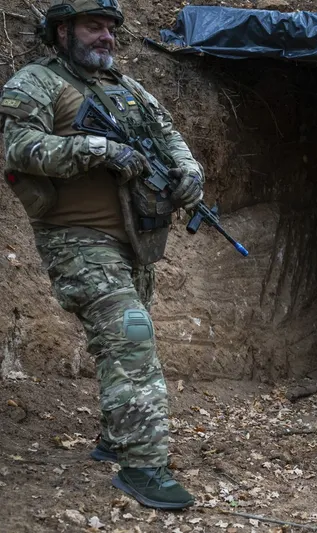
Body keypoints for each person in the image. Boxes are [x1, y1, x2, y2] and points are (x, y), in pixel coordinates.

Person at [0, 0, 204, 509]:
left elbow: (169, 136)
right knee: (133, 340)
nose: (107, 37)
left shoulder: (127, 88)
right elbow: (18, 147)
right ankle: (143, 467)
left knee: (124, 344)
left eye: (111, 28)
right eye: (94, 26)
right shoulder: (36, 82)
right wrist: (97, 149)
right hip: (78, 241)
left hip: (137, 243)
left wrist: (189, 174)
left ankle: (116, 436)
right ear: (62, 31)